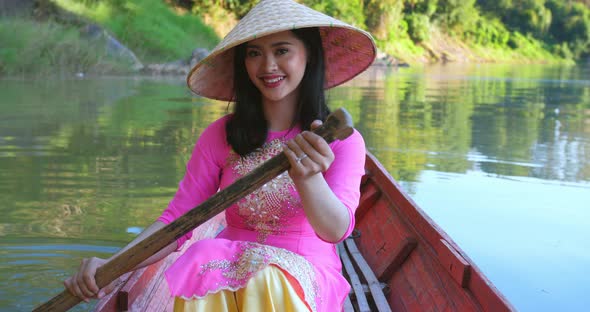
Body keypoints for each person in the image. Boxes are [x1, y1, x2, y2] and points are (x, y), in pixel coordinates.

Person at [64, 0, 376, 310]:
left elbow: (335, 231)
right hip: (227, 273)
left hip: (302, 284)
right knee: (204, 257)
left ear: (308, 55)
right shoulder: (220, 136)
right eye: (254, 53)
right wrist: (111, 266)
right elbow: (177, 221)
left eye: (282, 50)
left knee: (262, 277)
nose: (267, 65)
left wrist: (308, 178)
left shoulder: (338, 141)